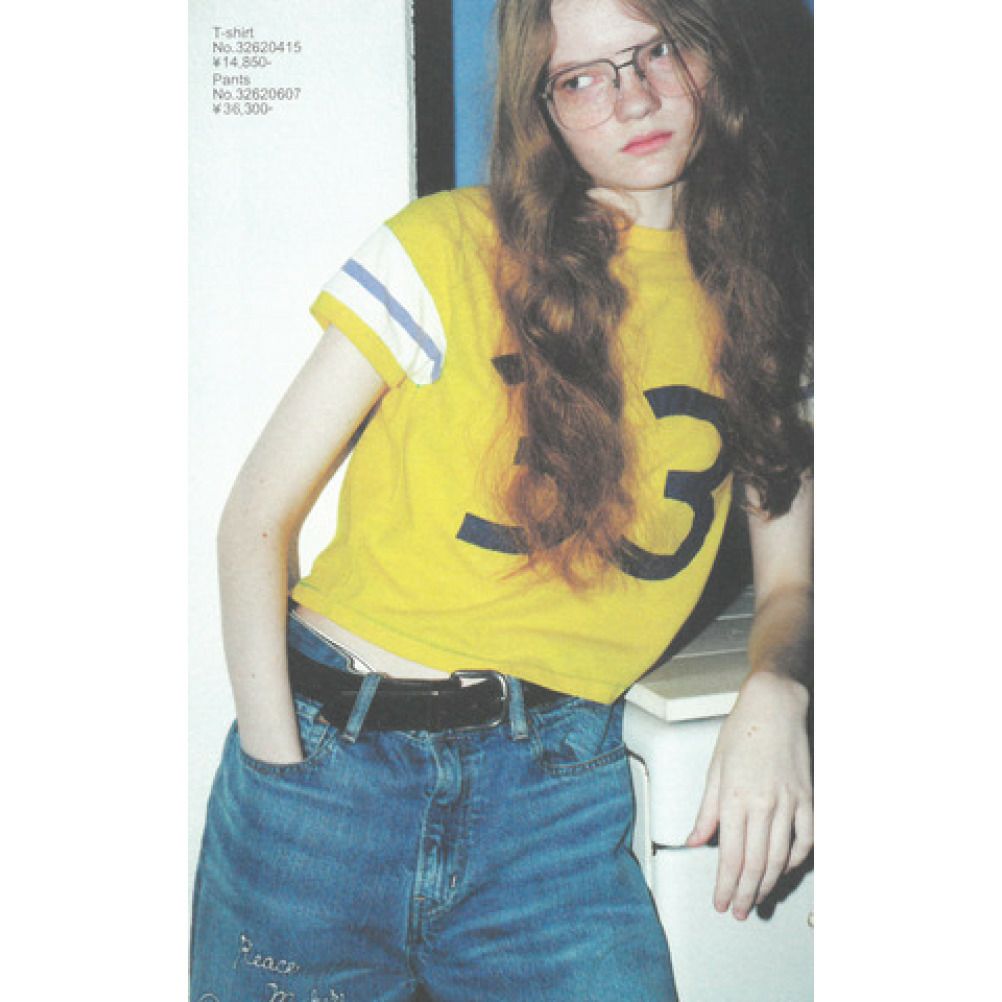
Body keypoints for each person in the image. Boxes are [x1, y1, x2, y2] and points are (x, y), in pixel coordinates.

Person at [190, 0, 813, 999]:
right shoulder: (447, 245)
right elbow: (254, 519)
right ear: (544, 110)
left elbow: (790, 585)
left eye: (655, 51)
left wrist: (777, 690)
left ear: (707, 54)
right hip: (327, 773)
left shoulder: (760, 309)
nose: (633, 98)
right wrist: (280, 769)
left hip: (554, 800)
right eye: (583, 78)